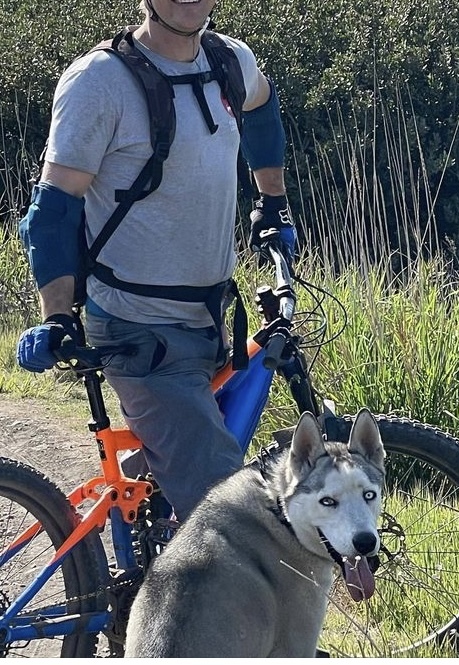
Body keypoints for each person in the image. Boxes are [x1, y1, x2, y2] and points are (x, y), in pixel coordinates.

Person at [16, 0, 296, 521]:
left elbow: (262, 106)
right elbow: (52, 212)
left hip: (210, 318)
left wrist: (272, 204)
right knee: (236, 520)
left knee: (176, 489)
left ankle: (151, 581)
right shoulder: (100, 81)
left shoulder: (231, 62)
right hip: (138, 332)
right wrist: (56, 316)